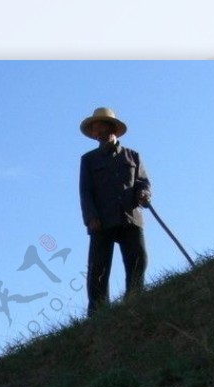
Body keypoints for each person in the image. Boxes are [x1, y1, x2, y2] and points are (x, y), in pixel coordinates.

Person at [79, 106, 152, 316]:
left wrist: (144, 193)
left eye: (101, 127)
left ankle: (135, 300)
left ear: (112, 128)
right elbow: (86, 191)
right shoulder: (89, 160)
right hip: (101, 220)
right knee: (98, 269)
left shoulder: (133, 156)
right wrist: (90, 217)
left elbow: (143, 181)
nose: (98, 132)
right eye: (94, 129)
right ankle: (98, 311)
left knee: (139, 259)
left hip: (130, 217)